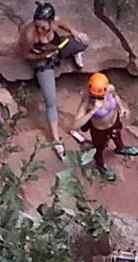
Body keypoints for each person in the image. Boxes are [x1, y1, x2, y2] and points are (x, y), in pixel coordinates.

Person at [18, 2, 89, 159]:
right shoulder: (30, 36)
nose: (40, 30)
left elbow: (63, 23)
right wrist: (42, 56)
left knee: (84, 41)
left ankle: (74, 53)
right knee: (51, 100)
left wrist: (74, 32)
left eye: (44, 27)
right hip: (41, 59)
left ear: (51, 22)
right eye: (37, 26)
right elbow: (25, 55)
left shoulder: (55, 22)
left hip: (56, 49)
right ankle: (57, 140)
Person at [72, 72, 138, 182]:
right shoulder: (87, 101)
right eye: (94, 96)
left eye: (100, 96)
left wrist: (121, 107)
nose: (97, 99)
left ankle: (120, 148)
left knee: (117, 135)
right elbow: (74, 125)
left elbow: (115, 96)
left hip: (114, 121)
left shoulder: (110, 88)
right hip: (100, 130)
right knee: (99, 148)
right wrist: (92, 111)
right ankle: (100, 165)